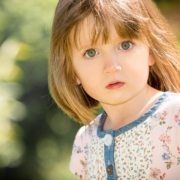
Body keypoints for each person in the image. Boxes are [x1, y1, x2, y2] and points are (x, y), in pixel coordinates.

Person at [49, 0, 180, 179]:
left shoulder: (176, 117)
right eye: (91, 53)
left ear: (151, 51)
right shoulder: (84, 142)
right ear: (72, 71)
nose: (111, 67)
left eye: (125, 45)